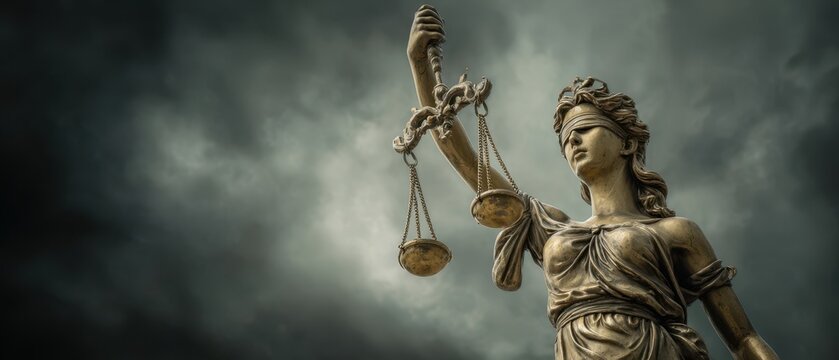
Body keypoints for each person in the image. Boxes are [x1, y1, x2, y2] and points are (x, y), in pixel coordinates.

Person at [405, 5, 779, 359]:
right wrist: (421, 66)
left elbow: (743, 337)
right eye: (567, 137)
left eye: (585, 130)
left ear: (627, 143)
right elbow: (468, 162)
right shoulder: (550, 228)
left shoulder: (676, 233)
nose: (573, 141)